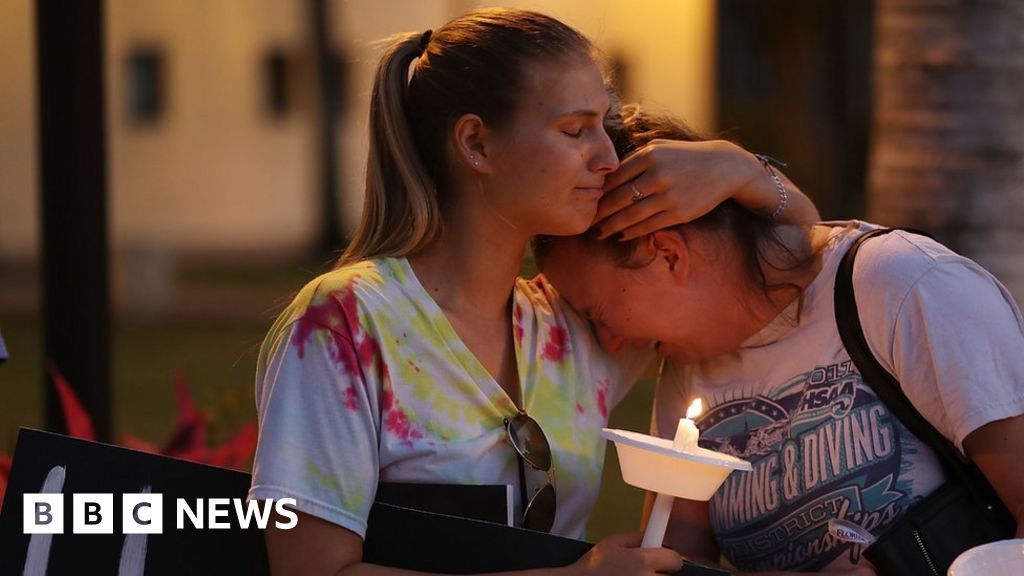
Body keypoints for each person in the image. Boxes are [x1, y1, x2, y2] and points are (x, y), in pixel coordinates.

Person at [249, 9, 818, 575]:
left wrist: (739, 170)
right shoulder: (347, 323)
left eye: (604, 124)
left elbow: (797, 248)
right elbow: (312, 570)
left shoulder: (572, 329)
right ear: (476, 144)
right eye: (575, 131)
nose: (607, 157)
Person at [534, 107, 1024, 574]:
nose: (613, 344)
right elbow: (681, 554)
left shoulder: (903, 286)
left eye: (599, 313)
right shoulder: (691, 365)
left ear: (666, 254)